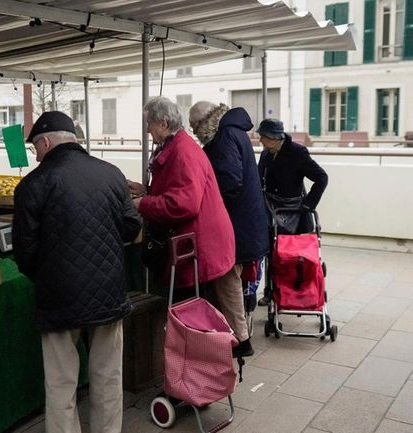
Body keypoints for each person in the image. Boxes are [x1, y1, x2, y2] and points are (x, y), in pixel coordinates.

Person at [13, 111, 141, 433]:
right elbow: (131, 226)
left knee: (60, 382)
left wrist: (46, 275)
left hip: (59, 294)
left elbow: (24, 252)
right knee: (108, 377)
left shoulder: (32, 184)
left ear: (45, 142)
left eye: (35, 148)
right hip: (109, 290)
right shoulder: (112, 174)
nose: (36, 155)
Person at [128, 96, 235, 306]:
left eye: (148, 123)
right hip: (199, 244)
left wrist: (142, 204)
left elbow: (185, 204)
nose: (147, 130)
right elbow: (178, 188)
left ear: (163, 123)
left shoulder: (183, 152)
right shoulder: (180, 145)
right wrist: (146, 190)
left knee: (192, 313)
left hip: (199, 248)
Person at [188, 101, 269, 357]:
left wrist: (205, 202)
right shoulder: (234, 130)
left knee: (227, 280)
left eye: (194, 126)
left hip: (236, 226)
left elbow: (229, 182)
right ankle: (234, 334)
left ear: (203, 122)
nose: (193, 132)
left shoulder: (223, 137)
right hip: (248, 223)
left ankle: (241, 341)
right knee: (231, 281)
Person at [256, 118, 328, 305]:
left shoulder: (297, 153)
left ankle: (292, 291)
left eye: (263, 137)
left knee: (289, 254)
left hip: (294, 212)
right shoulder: (266, 154)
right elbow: (258, 180)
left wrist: (308, 205)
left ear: (274, 137)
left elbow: (321, 177)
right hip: (270, 210)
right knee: (270, 252)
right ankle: (270, 292)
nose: (260, 141)